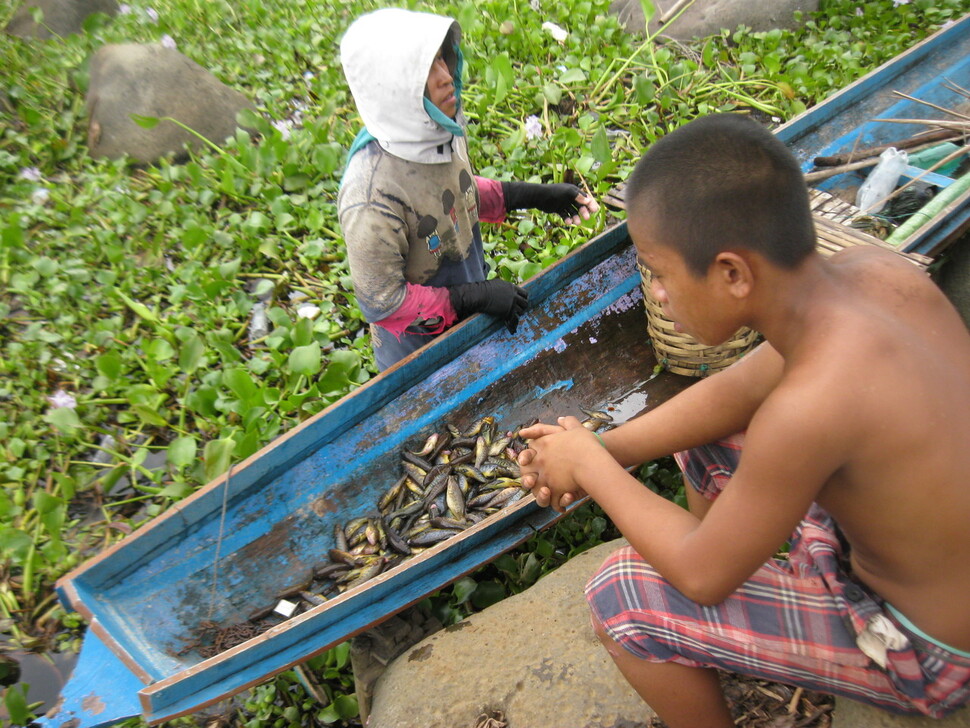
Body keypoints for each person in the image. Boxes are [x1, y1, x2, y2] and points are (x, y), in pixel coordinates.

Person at [517, 114, 970, 725]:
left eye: (658, 272)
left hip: (928, 648)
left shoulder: (811, 408)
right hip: (920, 559)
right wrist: (601, 447)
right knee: (701, 437)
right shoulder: (876, 273)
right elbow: (735, 391)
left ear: (731, 274)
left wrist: (593, 469)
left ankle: (712, 608)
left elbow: (702, 576)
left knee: (620, 596)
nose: (656, 294)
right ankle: (728, 610)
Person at [337, 8, 599, 371]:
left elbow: (456, 191)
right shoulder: (371, 198)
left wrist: (536, 196)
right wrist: (473, 297)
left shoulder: (437, 129)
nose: (446, 77)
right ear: (394, 87)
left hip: (467, 319)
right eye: (427, 70)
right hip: (419, 356)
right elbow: (384, 304)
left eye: (443, 59)